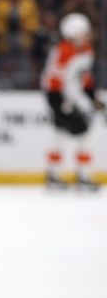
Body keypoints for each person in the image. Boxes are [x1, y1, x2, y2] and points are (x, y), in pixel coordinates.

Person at [41, 12, 105, 189]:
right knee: (83, 132)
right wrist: (66, 102)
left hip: (64, 97)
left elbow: (84, 78)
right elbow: (56, 81)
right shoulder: (65, 51)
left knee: (59, 133)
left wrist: (92, 97)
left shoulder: (84, 50)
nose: (88, 35)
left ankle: (53, 174)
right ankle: (83, 175)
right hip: (59, 97)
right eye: (85, 32)